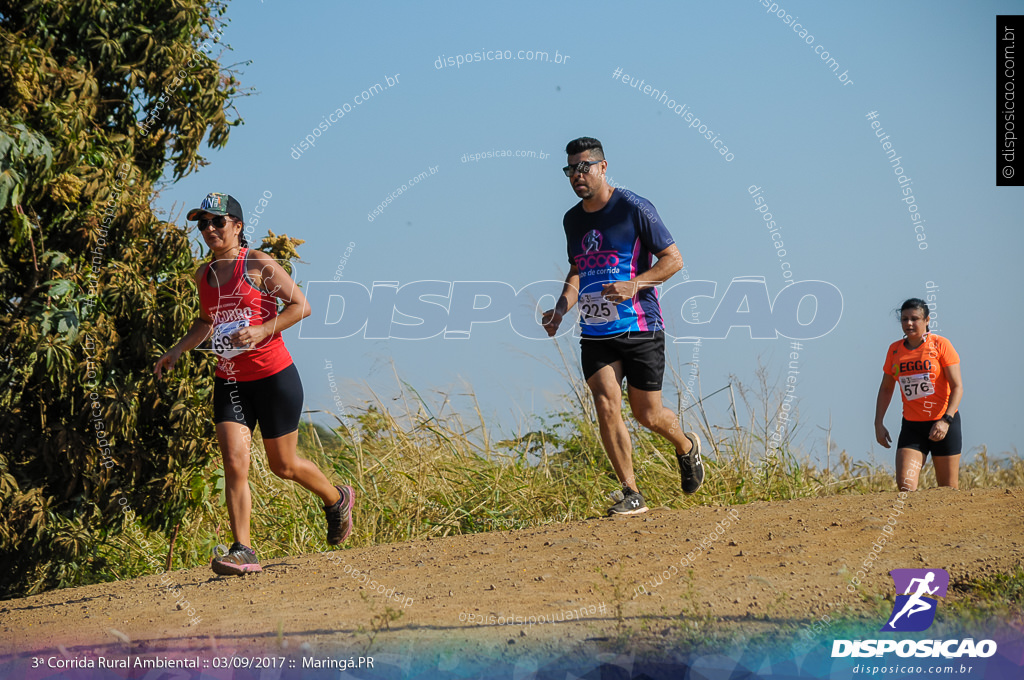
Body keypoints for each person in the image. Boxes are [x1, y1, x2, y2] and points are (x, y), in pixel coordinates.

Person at [154, 192, 354, 575]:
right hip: (230, 381)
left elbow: (301, 306)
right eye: (203, 224)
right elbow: (205, 321)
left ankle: (336, 498)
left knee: (284, 465)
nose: (210, 229)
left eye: (218, 222)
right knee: (234, 462)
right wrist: (177, 350)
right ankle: (243, 549)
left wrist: (263, 328)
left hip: (274, 377)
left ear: (237, 226)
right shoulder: (204, 275)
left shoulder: (258, 263)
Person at [542, 137, 705, 516]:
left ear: (603, 166)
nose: (576, 176)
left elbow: (674, 260)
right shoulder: (572, 219)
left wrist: (635, 284)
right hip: (596, 331)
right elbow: (578, 269)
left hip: (640, 325)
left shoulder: (634, 207)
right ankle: (631, 492)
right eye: (570, 170)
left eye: (584, 167)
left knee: (648, 414)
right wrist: (560, 308)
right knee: (605, 403)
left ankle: (685, 445)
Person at [874, 298, 964, 491]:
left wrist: (946, 420)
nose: (909, 323)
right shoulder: (895, 349)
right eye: (904, 319)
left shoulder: (941, 345)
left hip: (943, 425)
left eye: (915, 319)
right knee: (906, 487)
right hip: (913, 428)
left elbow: (957, 387)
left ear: (927, 320)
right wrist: (878, 423)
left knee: (948, 490)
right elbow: (886, 388)